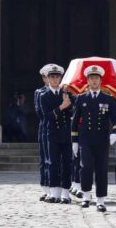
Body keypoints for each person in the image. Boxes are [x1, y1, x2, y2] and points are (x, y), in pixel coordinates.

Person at [71, 65, 116, 212]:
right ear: (87, 81)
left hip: (102, 140)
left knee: (101, 169)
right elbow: (75, 121)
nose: (94, 81)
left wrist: (115, 132)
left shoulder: (108, 98)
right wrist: (74, 141)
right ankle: (86, 197)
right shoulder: (81, 98)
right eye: (91, 78)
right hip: (85, 140)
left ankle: (101, 200)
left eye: (96, 78)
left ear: (100, 81)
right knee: (85, 167)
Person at [40, 64, 74, 204]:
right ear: (47, 79)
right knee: (52, 163)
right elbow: (46, 116)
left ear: (61, 78)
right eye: (52, 77)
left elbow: (73, 112)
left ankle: (65, 193)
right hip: (52, 133)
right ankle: (54, 192)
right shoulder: (44, 95)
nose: (55, 79)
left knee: (67, 163)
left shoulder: (67, 94)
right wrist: (61, 107)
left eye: (57, 77)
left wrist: (68, 105)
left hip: (66, 133)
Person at [34, 65, 51, 200]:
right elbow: (40, 113)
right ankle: (46, 186)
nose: (50, 79)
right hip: (45, 128)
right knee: (45, 159)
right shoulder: (40, 93)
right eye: (47, 77)